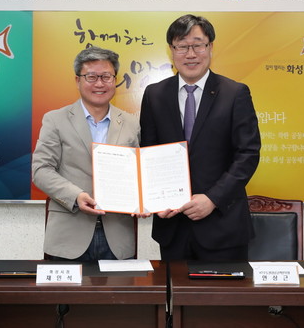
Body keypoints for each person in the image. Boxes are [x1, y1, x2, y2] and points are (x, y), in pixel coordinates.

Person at [140, 14, 261, 261]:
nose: (191, 54)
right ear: (171, 50)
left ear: (210, 47)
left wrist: (213, 199)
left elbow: (247, 154)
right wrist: (155, 199)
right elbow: (148, 152)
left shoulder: (235, 93)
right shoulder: (154, 95)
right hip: (172, 226)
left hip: (223, 226)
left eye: (198, 45)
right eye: (182, 46)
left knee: (224, 288)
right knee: (174, 288)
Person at [32, 46, 141, 261]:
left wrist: (145, 200)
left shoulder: (131, 123)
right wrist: (76, 196)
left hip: (118, 236)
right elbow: (41, 170)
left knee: (120, 286)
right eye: (91, 77)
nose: (99, 84)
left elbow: (139, 173)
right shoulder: (55, 119)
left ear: (115, 80)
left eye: (106, 76)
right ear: (78, 80)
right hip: (69, 233)